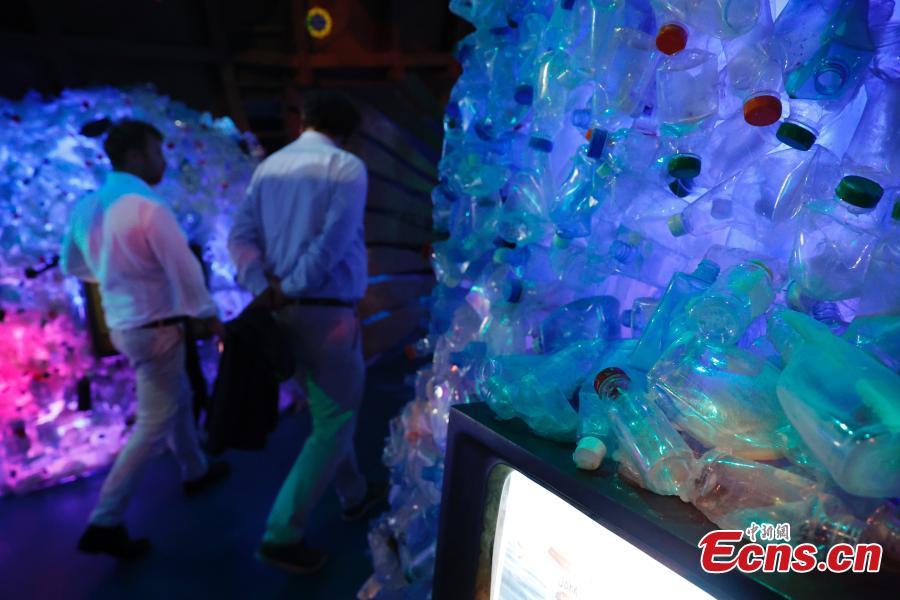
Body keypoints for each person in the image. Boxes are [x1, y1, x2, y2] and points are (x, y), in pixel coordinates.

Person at [229, 90, 384, 574]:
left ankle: (354, 494)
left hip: (281, 316)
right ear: (348, 133)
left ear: (303, 122)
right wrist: (292, 286)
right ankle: (282, 533)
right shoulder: (346, 167)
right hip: (328, 314)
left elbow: (239, 238)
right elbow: (333, 241)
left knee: (327, 415)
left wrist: (265, 287)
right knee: (334, 422)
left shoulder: (268, 167)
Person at [61, 120, 230, 559]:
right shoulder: (147, 206)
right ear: (135, 155)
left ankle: (194, 469)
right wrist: (209, 315)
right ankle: (105, 519)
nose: (163, 161)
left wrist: (114, 276)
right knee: (155, 421)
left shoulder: (86, 206)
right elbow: (183, 267)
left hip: (123, 325)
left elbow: (71, 265)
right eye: (157, 152)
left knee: (177, 396)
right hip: (156, 325)